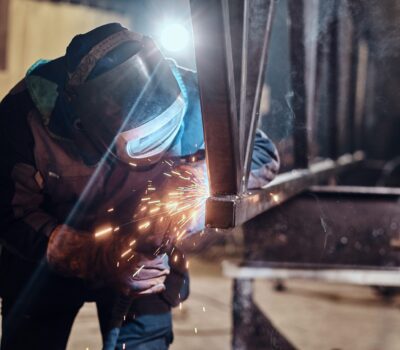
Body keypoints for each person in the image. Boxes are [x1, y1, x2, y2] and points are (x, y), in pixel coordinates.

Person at [0, 23, 280, 349]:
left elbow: (259, 153)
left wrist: (203, 178)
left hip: (146, 260)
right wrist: (95, 256)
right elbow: (9, 213)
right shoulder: (23, 118)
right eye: (143, 145)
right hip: (45, 263)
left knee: (145, 342)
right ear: (84, 124)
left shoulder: (194, 97)